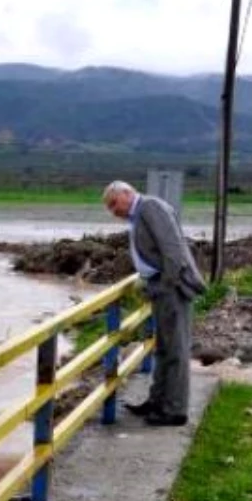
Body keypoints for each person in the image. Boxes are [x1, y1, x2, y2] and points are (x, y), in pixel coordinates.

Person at [102, 180, 207, 427]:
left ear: (127, 193)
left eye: (114, 203)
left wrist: (166, 285)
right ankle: (158, 401)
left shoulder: (150, 208)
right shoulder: (141, 213)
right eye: (109, 207)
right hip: (160, 286)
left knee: (175, 350)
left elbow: (173, 250)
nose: (113, 211)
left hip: (170, 288)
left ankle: (175, 410)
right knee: (163, 348)